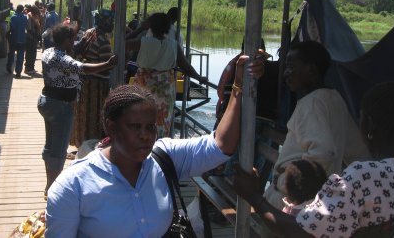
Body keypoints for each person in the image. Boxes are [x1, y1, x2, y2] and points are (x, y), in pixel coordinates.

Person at [45, 51, 266, 237]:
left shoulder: (164, 158)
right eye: (135, 127)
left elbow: (220, 145)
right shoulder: (72, 186)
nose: (145, 135)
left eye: (150, 127)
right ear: (111, 128)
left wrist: (238, 86)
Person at [233, 81, 394, 237]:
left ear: (370, 125)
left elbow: (305, 231)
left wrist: (253, 196)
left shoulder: (365, 177)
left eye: (361, 116)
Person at [261, 40, 370, 209]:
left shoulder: (311, 104)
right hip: (323, 198)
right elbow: (357, 151)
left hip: (295, 200)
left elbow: (323, 153)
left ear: (311, 70)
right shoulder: (334, 98)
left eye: (291, 67)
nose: (286, 73)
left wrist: (283, 181)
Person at [38, 24, 118, 199]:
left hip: (47, 101)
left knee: (50, 145)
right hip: (60, 106)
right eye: (72, 39)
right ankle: (53, 188)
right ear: (65, 40)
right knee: (59, 149)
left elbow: (75, 49)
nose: (74, 42)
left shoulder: (48, 52)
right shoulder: (62, 58)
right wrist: (108, 64)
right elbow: (82, 68)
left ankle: (48, 183)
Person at [126, 12, 207, 138]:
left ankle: (139, 142)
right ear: (168, 28)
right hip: (165, 90)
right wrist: (199, 78)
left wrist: (141, 28)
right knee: (162, 120)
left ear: (150, 27)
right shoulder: (174, 46)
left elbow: (122, 42)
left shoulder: (143, 42)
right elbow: (186, 68)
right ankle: (159, 145)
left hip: (144, 86)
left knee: (141, 116)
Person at [70, 9, 115, 147]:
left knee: (83, 115)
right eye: (110, 21)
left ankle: (81, 144)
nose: (111, 23)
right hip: (97, 86)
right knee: (95, 117)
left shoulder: (89, 32)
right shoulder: (104, 42)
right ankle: (90, 146)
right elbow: (108, 66)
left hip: (84, 82)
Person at [6, 4, 28, 78]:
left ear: (16, 9)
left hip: (13, 39)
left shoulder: (13, 17)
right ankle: (18, 71)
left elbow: (11, 27)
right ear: (22, 10)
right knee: (20, 56)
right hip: (22, 39)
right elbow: (26, 26)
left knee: (11, 54)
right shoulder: (25, 17)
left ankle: (9, 67)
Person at [24, 5, 41, 75]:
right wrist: (35, 36)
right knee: (30, 54)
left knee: (33, 54)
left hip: (33, 38)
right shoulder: (29, 17)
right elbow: (29, 29)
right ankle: (28, 68)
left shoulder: (34, 17)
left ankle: (31, 67)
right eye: (36, 12)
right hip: (30, 38)